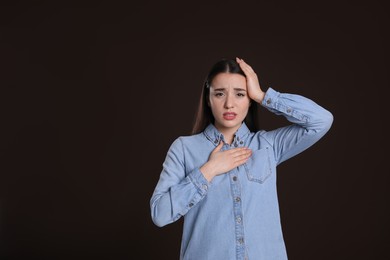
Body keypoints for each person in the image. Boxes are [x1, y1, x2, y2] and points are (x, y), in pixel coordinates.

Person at [150, 57, 333, 260]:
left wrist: (263, 96)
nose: (229, 104)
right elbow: (160, 214)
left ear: (249, 100)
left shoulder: (268, 145)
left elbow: (321, 120)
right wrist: (209, 170)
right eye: (220, 94)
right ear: (208, 99)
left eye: (240, 94)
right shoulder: (184, 148)